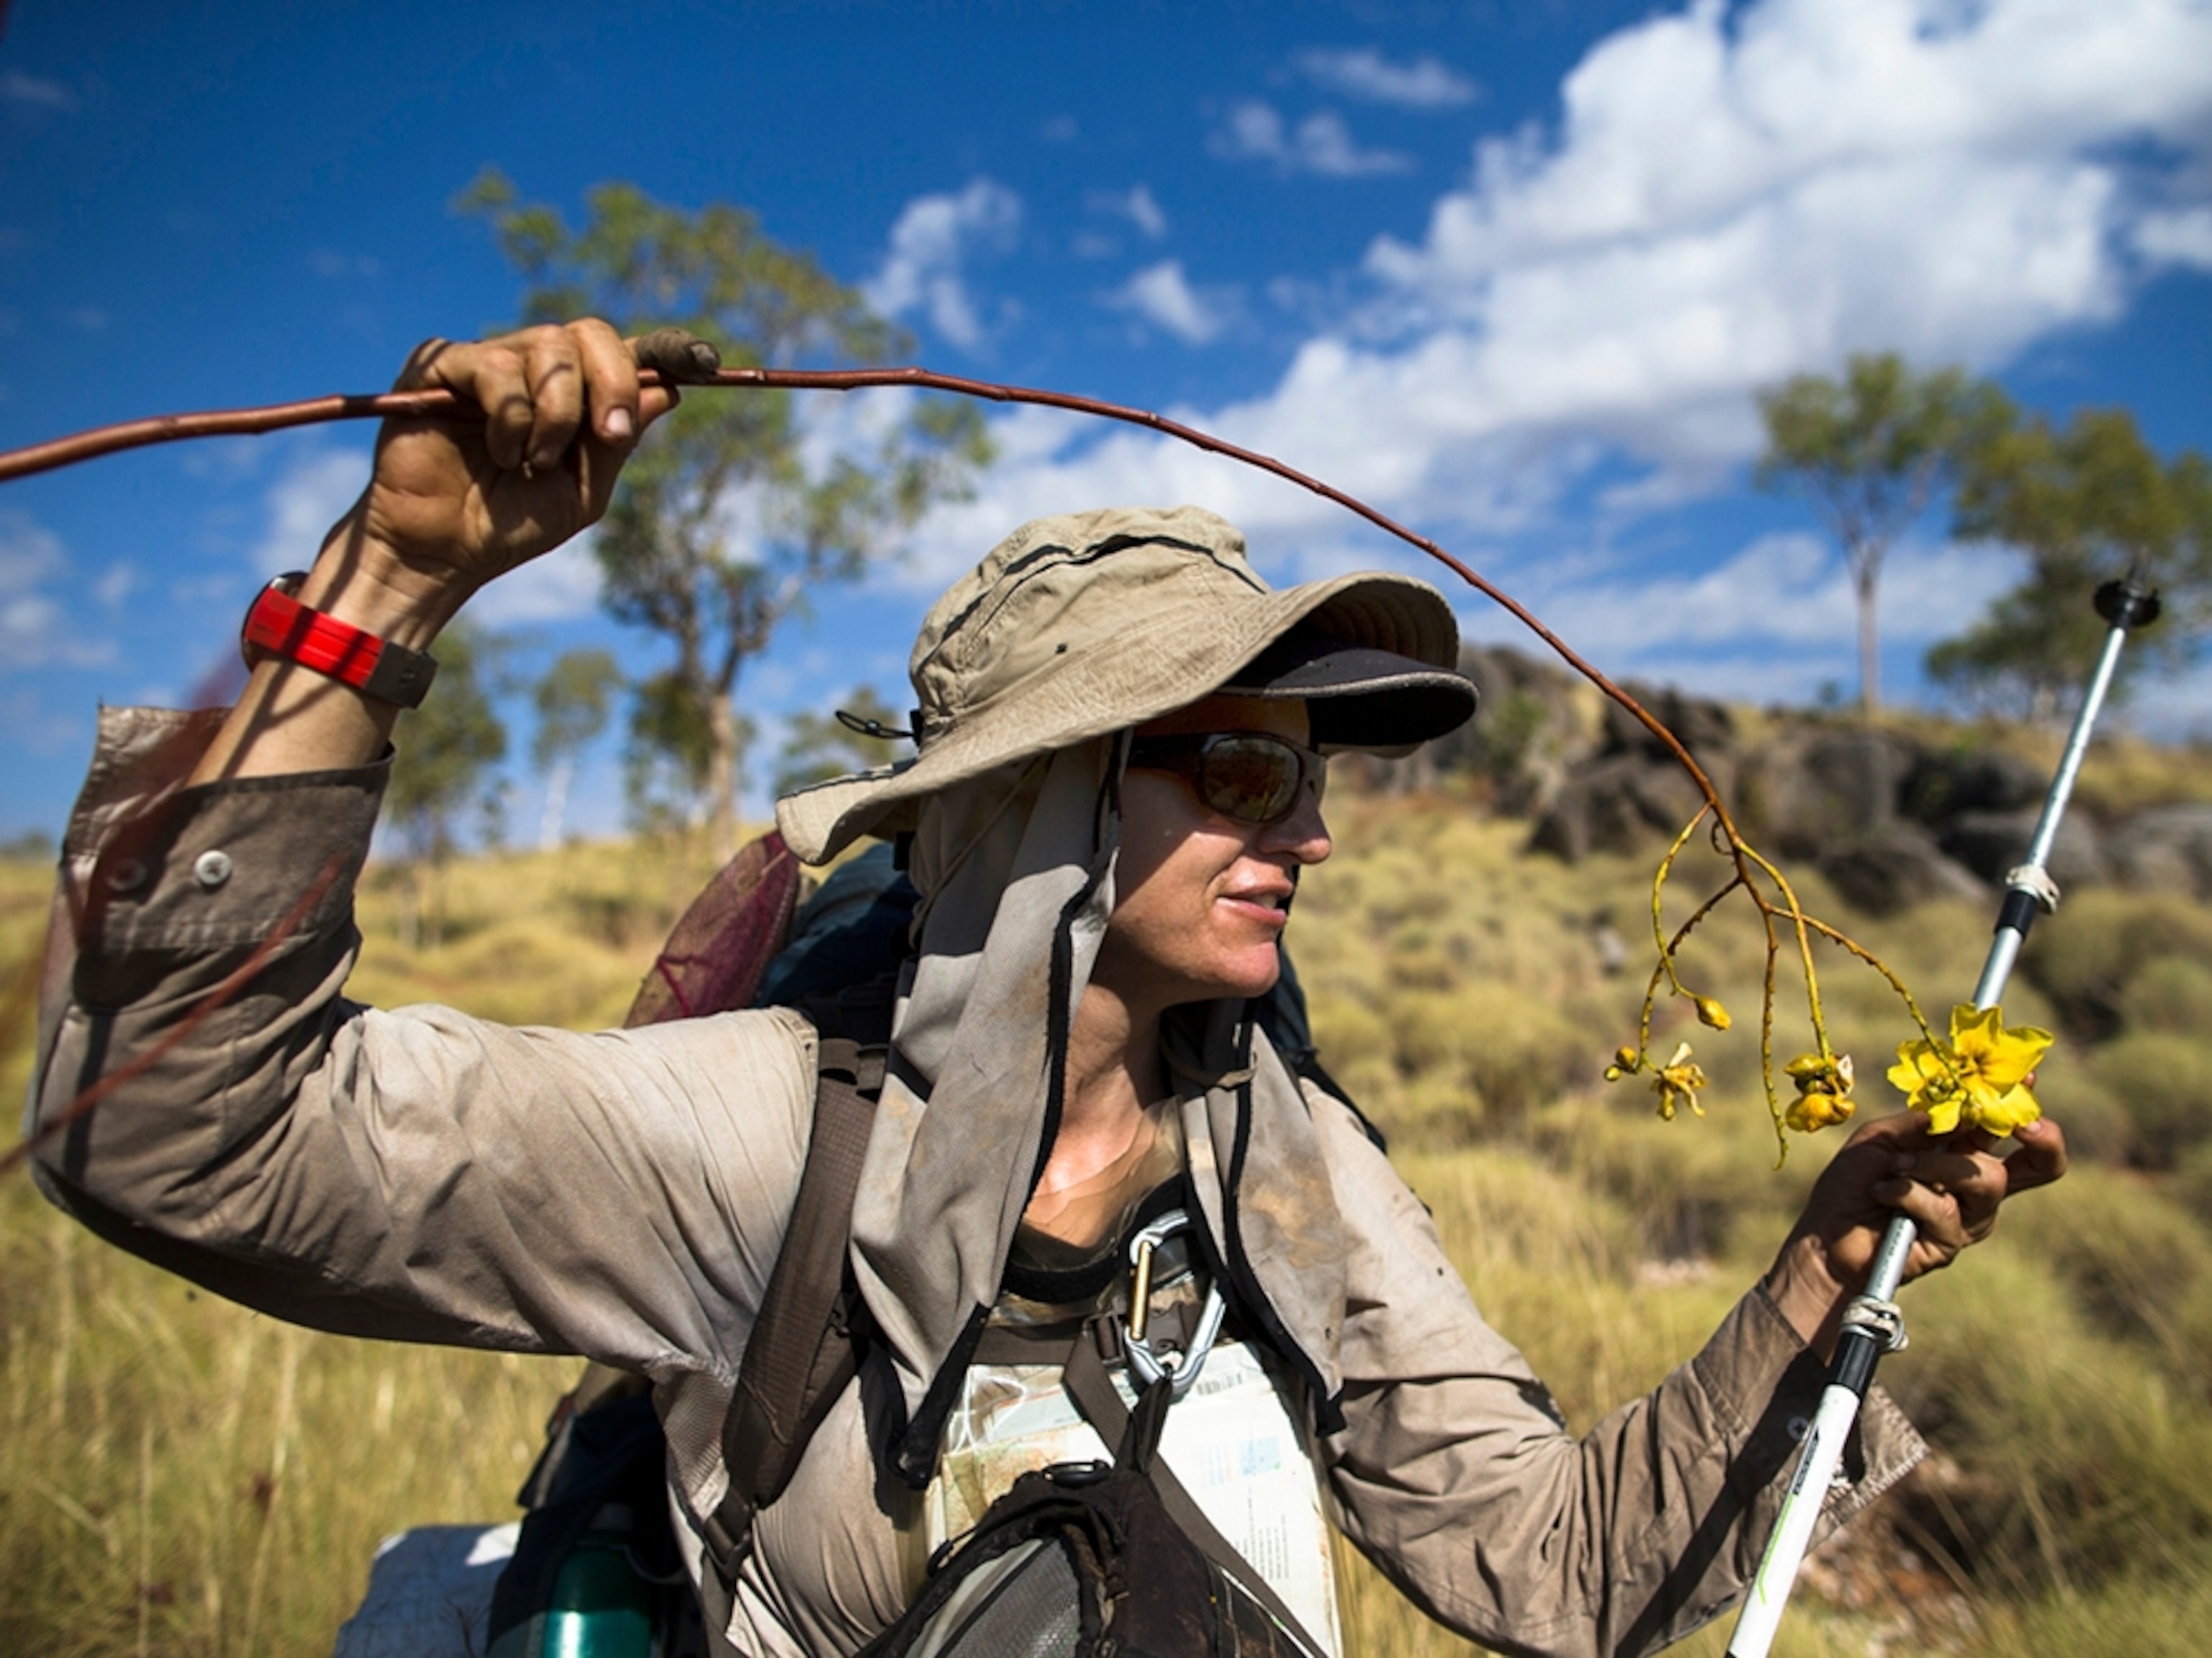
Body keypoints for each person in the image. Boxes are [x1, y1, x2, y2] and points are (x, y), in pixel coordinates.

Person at [29, 321, 2066, 1657]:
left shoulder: (1280, 1153)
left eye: (1315, 772)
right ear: (1055, 807)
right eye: (1248, 765)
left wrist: (1823, 1270)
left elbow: (1549, 1568)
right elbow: (179, 1136)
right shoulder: (761, 1137)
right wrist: (383, 600)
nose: (1314, 836)